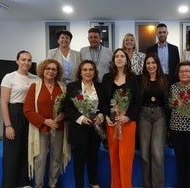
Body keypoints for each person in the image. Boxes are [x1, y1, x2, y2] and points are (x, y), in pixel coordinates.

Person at [23, 59, 71, 188]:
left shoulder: (63, 87)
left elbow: (69, 107)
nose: (51, 71)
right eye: (48, 68)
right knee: (40, 160)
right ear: (43, 70)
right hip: (41, 129)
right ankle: (39, 185)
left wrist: (64, 115)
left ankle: (52, 185)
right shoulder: (35, 86)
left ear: (58, 72)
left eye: (54, 69)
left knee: (56, 158)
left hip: (58, 128)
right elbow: (28, 110)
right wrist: (45, 121)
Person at [101, 48, 140, 188]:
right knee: (114, 156)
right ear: (113, 60)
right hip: (112, 122)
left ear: (126, 60)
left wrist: (128, 117)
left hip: (127, 123)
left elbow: (137, 101)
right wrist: (106, 116)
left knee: (125, 157)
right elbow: (103, 100)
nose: (119, 58)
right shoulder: (107, 77)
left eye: (122, 56)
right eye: (116, 56)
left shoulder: (134, 78)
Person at [64, 60, 104, 188]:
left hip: (95, 127)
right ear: (80, 72)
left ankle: (94, 183)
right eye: (85, 70)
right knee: (79, 160)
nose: (88, 72)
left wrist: (101, 116)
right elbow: (68, 107)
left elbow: (104, 106)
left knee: (93, 157)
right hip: (79, 127)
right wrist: (81, 118)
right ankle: (79, 185)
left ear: (94, 72)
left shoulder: (100, 87)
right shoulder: (72, 86)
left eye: (90, 69)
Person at [0, 50, 37, 188]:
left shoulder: (35, 78)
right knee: (12, 152)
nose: (26, 62)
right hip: (14, 113)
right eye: (23, 59)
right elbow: (3, 102)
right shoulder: (9, 77)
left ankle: (23, 182)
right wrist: (8, 125)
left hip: (30, 114)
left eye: (29, 60)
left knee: (27, 150)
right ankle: (8, 184)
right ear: (17, 61)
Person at [138, 53, 169, 188]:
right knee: (144, 154)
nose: (151, 66)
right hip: (144, 115)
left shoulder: (165, 79)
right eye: (148, 63)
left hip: (159, 115)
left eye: (153, 63)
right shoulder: (140, 80)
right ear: (145, 65)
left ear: (158, 64)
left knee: (157, 153)